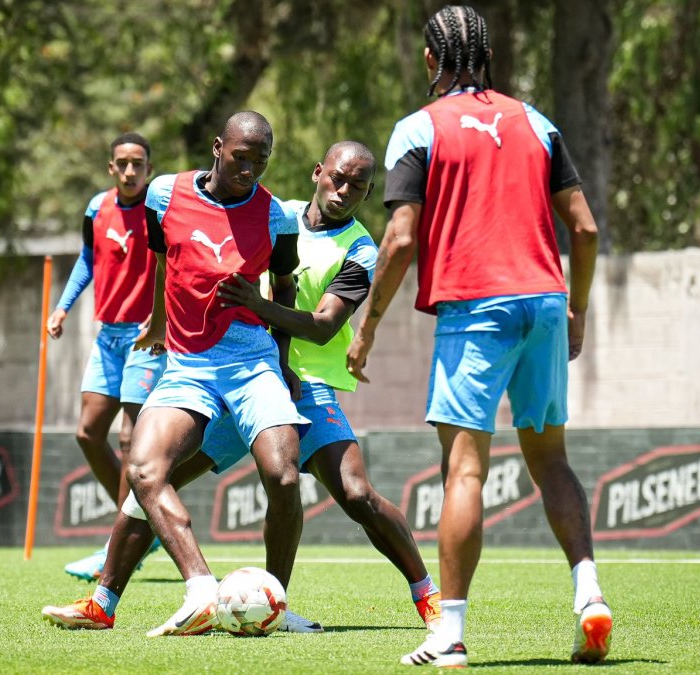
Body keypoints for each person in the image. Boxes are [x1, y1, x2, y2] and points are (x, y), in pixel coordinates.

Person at [39, 141, 442, 635]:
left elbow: (320, 326)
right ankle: (103, 601)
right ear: (318, 173)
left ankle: (425, 596)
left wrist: (257, 305)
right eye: (338, 178)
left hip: (302, 384)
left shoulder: (359, 248)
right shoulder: (277, 215)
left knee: (355, 493)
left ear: (368, 192)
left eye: (358, 186)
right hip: (232, 374)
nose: (344, 191)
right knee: (150, 482)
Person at [345, 6, 610, 667]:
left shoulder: (417, 129)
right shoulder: (537, 122)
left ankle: (450, 634)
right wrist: (574, 309)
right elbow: (585, 229)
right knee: (551, 459)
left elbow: (401, 237)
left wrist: (367, 324)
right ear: (487, 58)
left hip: (477, 310)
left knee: (464, 468)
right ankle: (589, 593)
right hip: (545, 303)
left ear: (431, 62)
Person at [123, 110, 306, 637]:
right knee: (143, 470)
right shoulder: (164, 195)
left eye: (261, 160)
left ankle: (276, 601)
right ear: (217, 147)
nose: (249, 170)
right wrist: (158, 324)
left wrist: (284, 358)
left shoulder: (278, 217)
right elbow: (164, 262)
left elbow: (285, 288)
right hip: (188, 363)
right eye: (240, 158)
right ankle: (200, 589)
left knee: (284, 476)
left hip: (253, 362)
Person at [46, 132, 166, 581]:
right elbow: (86, 259)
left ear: (149, 168)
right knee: (87, 432)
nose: (131, 171)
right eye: (123, 163)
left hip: (147, 339)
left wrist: (161, 319)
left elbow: (174, 265)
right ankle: (142, 522)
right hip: (107, 338)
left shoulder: (159, 209)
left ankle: (118, 545)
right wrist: (63, 306)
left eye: (139, 163)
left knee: (129, 439)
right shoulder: (97, 208)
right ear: (111, 168)